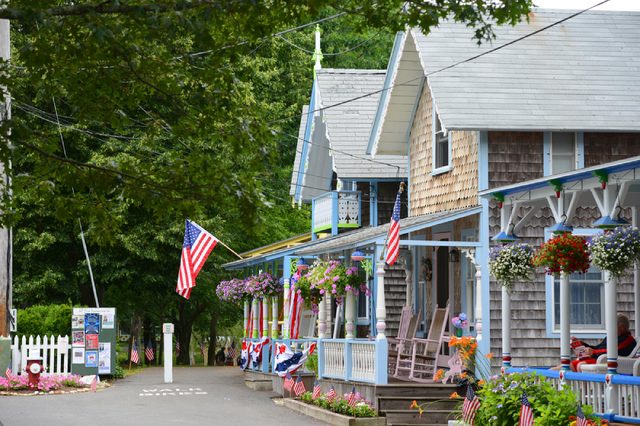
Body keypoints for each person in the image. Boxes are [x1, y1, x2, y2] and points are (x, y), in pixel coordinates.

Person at [570, 314, 636, 372]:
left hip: (606, 362)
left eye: (613, 326)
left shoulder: (629, 340)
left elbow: (613, 351)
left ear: (622, 327)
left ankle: (585, 387)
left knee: (580, 365)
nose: (610, 328)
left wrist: (594, 352)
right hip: (598, 359)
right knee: (568, 366)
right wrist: (581, 344)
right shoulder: (611, 337)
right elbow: (597, 347)